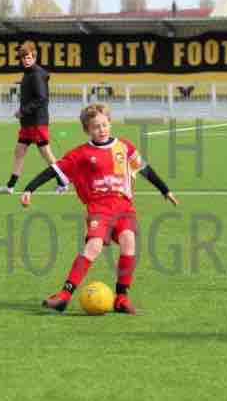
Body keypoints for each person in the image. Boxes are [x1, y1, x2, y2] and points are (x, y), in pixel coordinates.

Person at [20, 104, 179, 314]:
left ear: (110, 123)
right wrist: (30, 188)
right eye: (95, 127)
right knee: (93, 246)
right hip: (99, 208)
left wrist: (165, 190)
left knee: (129, 241)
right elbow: (54, 170)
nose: (101, 129)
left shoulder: (124, 147)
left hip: (124, 206)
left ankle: (121, 298)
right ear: (87, 130)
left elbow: (145, 169)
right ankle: (64, 295)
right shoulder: (81, 153)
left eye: (104, 124)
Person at [0, 41, 58, 194]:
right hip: (28, 123)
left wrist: (23, 111)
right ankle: (10, 186)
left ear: (34, 57)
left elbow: (41, 98)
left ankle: (62, 181)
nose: (26, 60)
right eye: (23, 58)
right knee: (19, 152)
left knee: (46, 154)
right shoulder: (28, 73)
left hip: (37, 122)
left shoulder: (36, 74)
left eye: (28, 57)